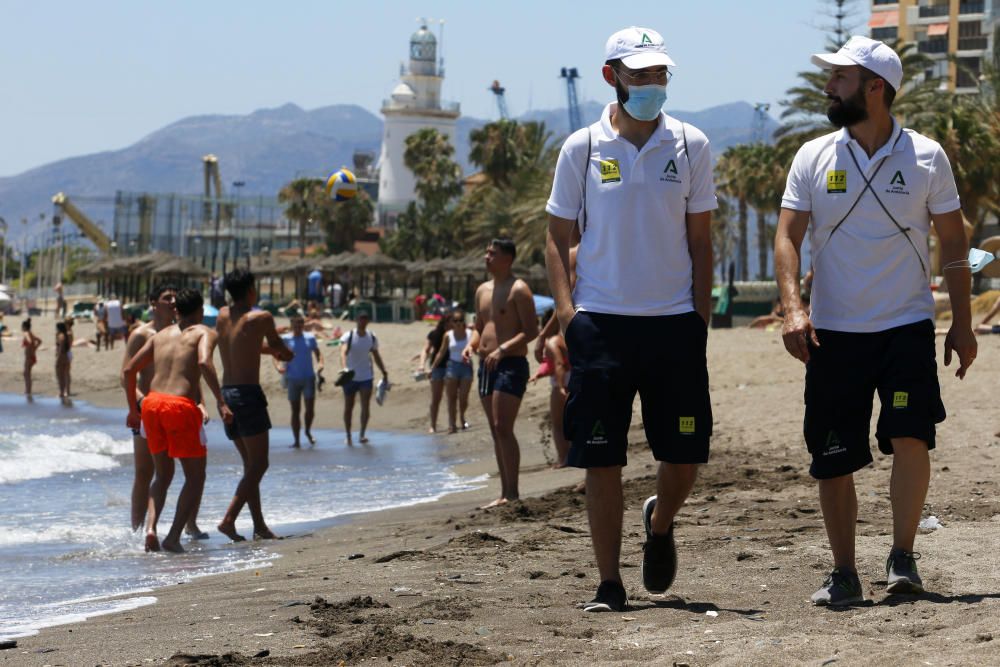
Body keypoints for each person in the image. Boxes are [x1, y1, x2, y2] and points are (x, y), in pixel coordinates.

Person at [774, 36, 976, 606]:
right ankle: (844, 571)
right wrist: (793, 308)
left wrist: (961, 323)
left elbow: (954, 244)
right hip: (833, 332)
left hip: (906, 326)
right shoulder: (812, 156)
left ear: (875, 88)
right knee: (832, 454)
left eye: (839, 77)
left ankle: (902, 556)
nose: (828, 87)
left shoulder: (927, 157)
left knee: (912, 437)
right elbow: (787, 237)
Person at [545, 27, 716, 612]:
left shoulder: (691, 143)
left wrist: (699, 315)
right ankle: (609, 584)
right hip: (601, 324)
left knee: (686, 455)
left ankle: (660, 524)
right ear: (611, 76)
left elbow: (701, 241)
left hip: (674, 324)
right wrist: (568, 316)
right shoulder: (582, 148)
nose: (651, 84)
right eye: (639, 74)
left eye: (659, 73)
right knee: (601, 457)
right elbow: (556, 237)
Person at [123, 288, 232, 553]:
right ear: (200, 311)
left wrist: (133, 411)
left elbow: (128, 370)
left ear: (177, 311)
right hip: (179, 406)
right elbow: (204, 363)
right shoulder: (204, 332)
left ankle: (151, 529)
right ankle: (172, 537)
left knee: (162, 475)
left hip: (152, 404)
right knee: (195, 476)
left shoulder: (160, 336)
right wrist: (220, 401)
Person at [215, 268, 293, 541]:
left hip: (226, 394)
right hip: (247, 394)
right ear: (251, 291)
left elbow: (244, 345)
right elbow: (279, 347)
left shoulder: (222, 315)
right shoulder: (262, 317)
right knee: (259, 465)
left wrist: (269, 349)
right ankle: (229, 519)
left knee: (250, 466)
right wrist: (286, 353)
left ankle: (259, 526)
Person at [464, 239, 538, 508]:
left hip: (511, 364)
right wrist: (471, 345)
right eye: (487, 252)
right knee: (496, 431)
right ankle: (504, 491)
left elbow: (531, 330)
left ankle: (513, 492)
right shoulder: (482, 290)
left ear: (507, 259)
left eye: (492, 254)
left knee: (502, 426)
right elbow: (479, 326)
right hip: (486, 365)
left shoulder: (519, 289)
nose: (486, 257)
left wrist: (502, 349)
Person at [274, 314, 324, 448]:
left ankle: (307, 431)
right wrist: (278, 366)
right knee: (295, 411)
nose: (297, 327)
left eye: (300, 325)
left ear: (303, 325)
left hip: (308, 377)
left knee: (310, 409)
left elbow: (318, 353)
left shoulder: (310, 338)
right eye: (295, 325)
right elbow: (276, 355)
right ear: (291, 326)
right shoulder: (285, 339)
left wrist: (320, 363)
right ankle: (296, 441)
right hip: (292, 379)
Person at [339, 310, 388, 445]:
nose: (363, 321)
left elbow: (376, 355)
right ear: (357, 320)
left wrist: (384, 371)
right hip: (350, 377)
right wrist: (344, 368)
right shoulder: (349, 335)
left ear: (368, 321)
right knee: (349, 406)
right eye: (361, 318)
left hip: (366, 376)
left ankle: (362, 434)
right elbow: (343, 352)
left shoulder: (371, 336)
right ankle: (348, 435)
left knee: (365, 406)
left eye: (365, 319)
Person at [433, 308, 473, 433]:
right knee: (451, 397)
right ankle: (452, 424)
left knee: (463, 397)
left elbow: (476, 348)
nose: (458, 323)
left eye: (460, 320)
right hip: (452, 367)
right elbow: (441, 352)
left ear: (463, 321)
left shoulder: (470, 333)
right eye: (455, 321)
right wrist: (433, 368)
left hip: (466, 366)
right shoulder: (448, 335)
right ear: (452, 322)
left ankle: (462, 416)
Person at [419, 315, 451, 433]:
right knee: (436, 398)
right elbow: (425, 350)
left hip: (452, 367)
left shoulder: (456, 334)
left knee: (451, 397)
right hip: (437, 368)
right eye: (448, 322)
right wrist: (421, 365)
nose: (451, 325)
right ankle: (433, 425)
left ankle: (451, 423)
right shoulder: (434, 334)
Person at [21, 319, 41, 396]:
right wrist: (34, 348)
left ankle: (27, 391)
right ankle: (28, 390)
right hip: (32, 356)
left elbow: (29, 341)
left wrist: (31, 347)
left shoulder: (26, 333)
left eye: (22, 327)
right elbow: (39, 341)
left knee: (26, 374)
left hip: (29, 357)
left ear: (24, 327)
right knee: (27, 373)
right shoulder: (31, 333)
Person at [55, 321, 71, 399]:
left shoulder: (61, 336)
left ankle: (61, 392)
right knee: (65, 374)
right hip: (66, 355)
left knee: (60, 375)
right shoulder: (66, 335)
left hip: (62, 356)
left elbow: (61, 348)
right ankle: (65, 391)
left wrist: (58, 358)